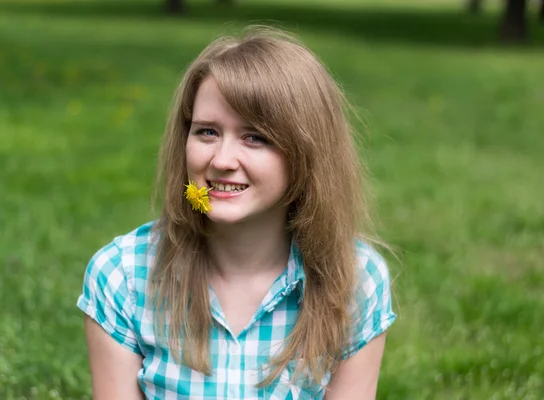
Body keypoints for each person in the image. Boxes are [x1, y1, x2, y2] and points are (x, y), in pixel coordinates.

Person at [77, 26, 396, 400]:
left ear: (307, 154)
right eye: (207, 132)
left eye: (255, 137)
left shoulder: (356, 280)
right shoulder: (123, 276)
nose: (222, 160)